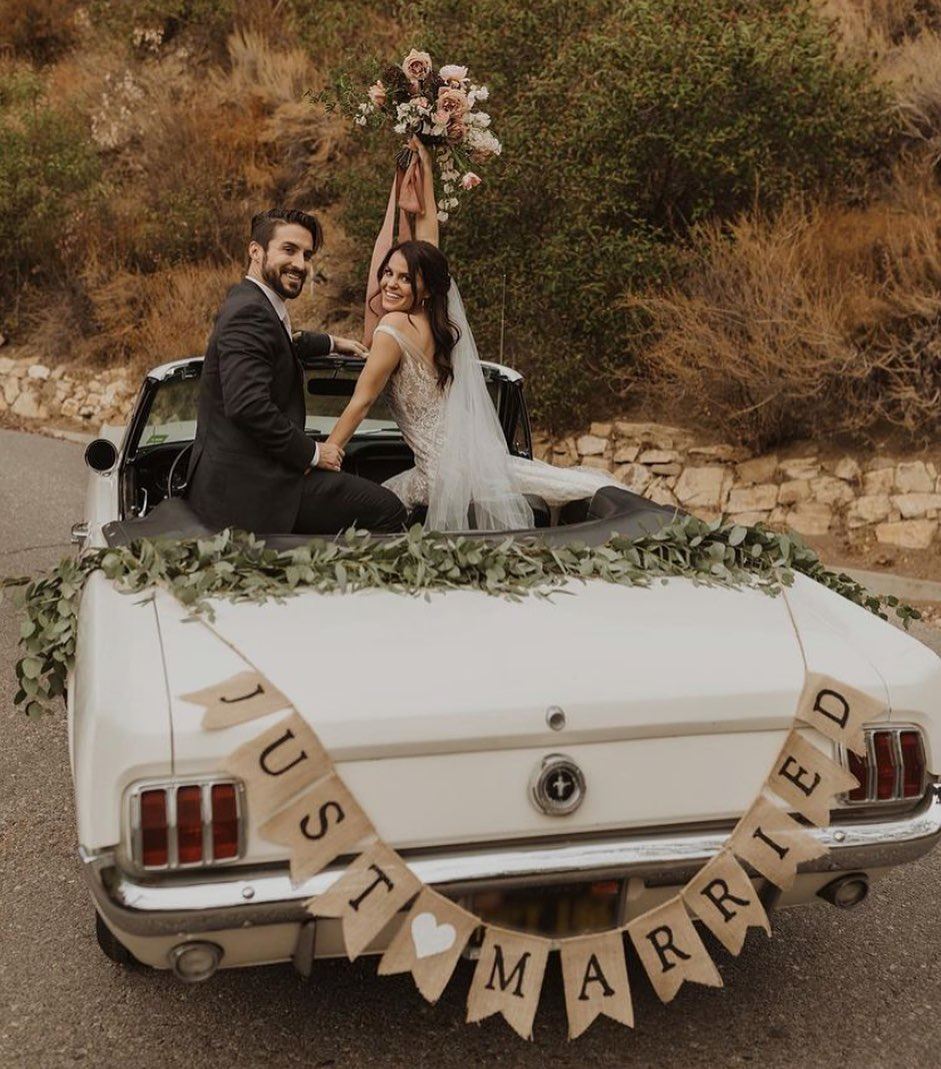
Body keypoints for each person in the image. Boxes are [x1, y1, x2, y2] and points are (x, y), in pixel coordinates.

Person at [324, 141, 617, 531]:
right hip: (472, 465)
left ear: (424, 286)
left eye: (404, 278)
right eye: (388, 273)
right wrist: (425, 165)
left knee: (363, 516)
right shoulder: (433, 319)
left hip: (437, 476)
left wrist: (328, 451)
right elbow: (429, 237)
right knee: (564, 486)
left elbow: (361, 402)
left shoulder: (393, 328)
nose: (391, 283)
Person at [186, 208, 407, 535]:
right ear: (256, 251)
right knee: (388, 510)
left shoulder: (250, 302)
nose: (300, 264)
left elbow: (277, 344)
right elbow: (248, 405)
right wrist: (314, 452)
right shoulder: (250, 312)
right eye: (288, 250)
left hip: (247, 477)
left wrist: (330, 342)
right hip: (252, 490)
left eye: (307, 255)